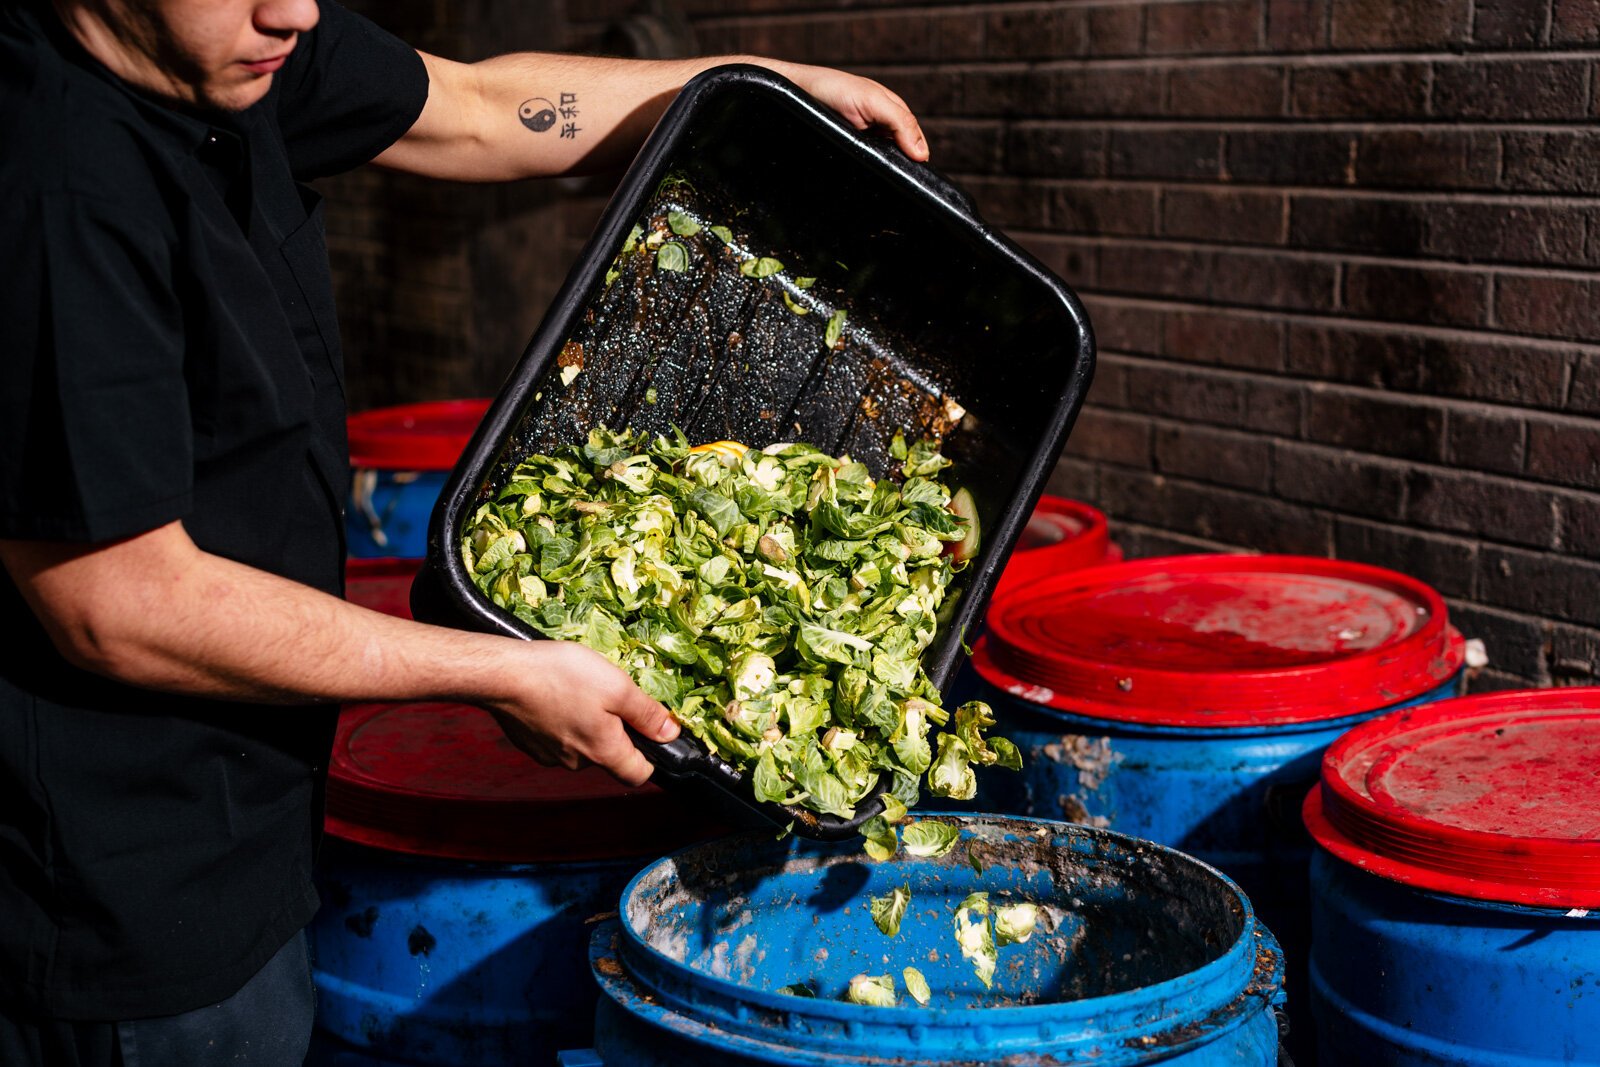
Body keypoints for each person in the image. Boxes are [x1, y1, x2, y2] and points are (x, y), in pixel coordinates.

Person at [0, 0, 928, 1061]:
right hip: (122, 888)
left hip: (252, 809)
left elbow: (481, 109)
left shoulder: (225, 52)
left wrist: (754, 80)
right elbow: (117, 602)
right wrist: (497, 668)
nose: (293, 10)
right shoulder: (53, 184)